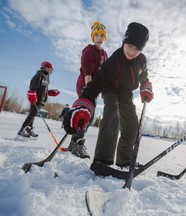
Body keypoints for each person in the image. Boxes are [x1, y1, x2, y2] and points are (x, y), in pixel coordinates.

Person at [62, 22, 153, 171]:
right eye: (130, 45)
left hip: (126, 93)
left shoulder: (141, 60)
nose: (132, 51)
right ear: (124, 42)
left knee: (132, 124)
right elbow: (97, 82)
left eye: (137, 49)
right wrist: (83, 103)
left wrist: (146, 87)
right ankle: (103, 160)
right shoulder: (114, 60)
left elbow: (144, 76)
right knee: (112, 115)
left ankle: (124, 160)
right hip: (109, 89)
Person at [67, 21, 108, 159]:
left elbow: (104, 74)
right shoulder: (89, 50)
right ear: (92, 37)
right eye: (96, 35)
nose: (99, 37)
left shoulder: (105, 54)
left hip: (94, 87)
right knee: (85, 114)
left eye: (102, 35)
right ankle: (78, 143)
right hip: (86, 83)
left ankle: (73, 143)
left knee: (90, 116)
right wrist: (89, 89)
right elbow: (87, 68)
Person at [17, 61, 60, 139]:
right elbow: (33, 86)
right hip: (36, 99)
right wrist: (32, 95)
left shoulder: (47, 77)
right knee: (32, 114)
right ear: (44, 67)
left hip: (41, 100)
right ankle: (22, 130)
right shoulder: (40, 74)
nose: (50, 70)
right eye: (48, 68)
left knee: (33, 115)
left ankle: (29, 129)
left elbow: (44, 89)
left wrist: (51, 92)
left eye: (51, 69)